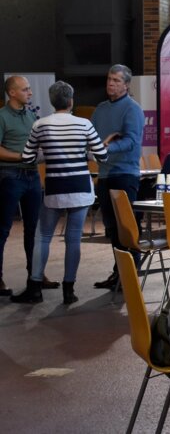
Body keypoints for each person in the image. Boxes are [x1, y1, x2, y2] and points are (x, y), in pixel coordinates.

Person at [10, 81, 108, 304]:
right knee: (73, 240)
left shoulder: (40, 125)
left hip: (55, 188)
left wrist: (49, 155)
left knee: (42, 237)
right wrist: (84, 153)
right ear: (71, 101)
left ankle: (34, 287)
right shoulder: (84, 124)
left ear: (52, 102)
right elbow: (102, 156)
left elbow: (27, 158)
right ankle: (68, 290)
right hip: (81, 188)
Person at [91, 64, 145, 290]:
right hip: (104, 174)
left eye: (116, 80)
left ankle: (130, 274)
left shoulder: (132, 109)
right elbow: (91, 136)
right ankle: (119, 272)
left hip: (124, 173)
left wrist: (105, 149)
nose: (110, 83)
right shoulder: (100, 109)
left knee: (125, 227)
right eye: (109, 79)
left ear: (126, 85)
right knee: (111, 228)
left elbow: (132, 140)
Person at [0, 75, 53, 296]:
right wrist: (22, 156)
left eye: (30, 89)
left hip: (32, 177)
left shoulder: (31, 115)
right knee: (2, 229)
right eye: (25, 89)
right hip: (10, 176)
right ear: (12, 92)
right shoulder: (2, 117)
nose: (30, 93)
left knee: (35, 230)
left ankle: (36, 275)